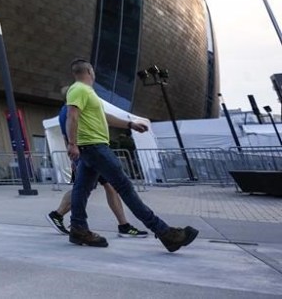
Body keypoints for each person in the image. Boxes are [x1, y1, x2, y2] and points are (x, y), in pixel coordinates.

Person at [66, 59, 198, 251]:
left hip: (91, 148)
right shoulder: (79, 89)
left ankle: (78, 229)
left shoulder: (86, 92)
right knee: (124, 187)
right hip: (94, 147)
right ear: (90, 71)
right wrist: (72, 143)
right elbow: (72, 115)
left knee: (81, 189)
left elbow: (104, 117)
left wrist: (130, 124)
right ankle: (165, 233)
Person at [46, 89, 147, 237]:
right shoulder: (71, 112)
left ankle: (122, 225)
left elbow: (65, 136)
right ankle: (59, 215)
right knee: (86, 188)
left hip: (87, 153)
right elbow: (70, 134)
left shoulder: (66, 112)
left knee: (102, 187)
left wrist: (73, 157)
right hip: (90, 153)